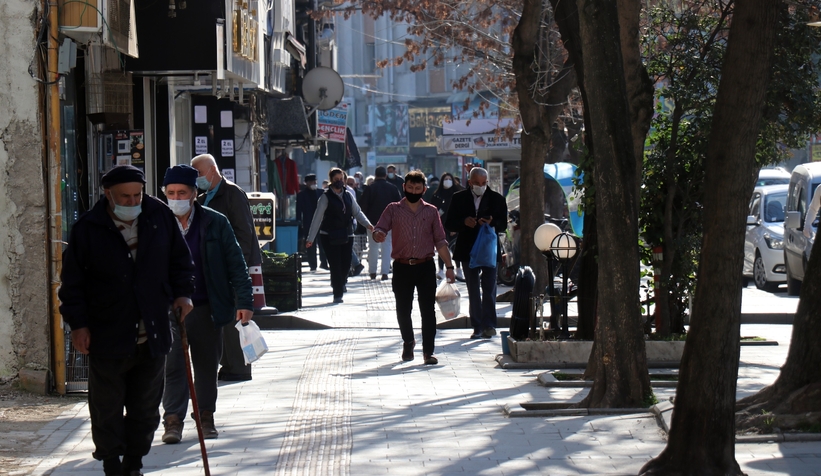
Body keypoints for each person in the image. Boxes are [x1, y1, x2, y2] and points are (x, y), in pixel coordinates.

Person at [59, 165, 195, 476]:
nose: (133, 202)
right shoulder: (88, 229)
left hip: (153, 331)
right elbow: (72, 285)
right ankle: (111, 462)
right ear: (108, 195)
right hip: (107, 333)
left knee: (145, 409)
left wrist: (184, 294)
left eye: (137, 195)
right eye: (125, 197)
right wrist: (78, 325)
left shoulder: (159, 217)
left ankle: (134, 462)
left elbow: (181, 262)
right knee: (106, 409)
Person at [159, 165, 254, 445]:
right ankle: (173, 420)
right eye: (171, 193)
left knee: (206, 365)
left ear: (194, 194)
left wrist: (245, 300)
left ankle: (205, 416)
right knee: (173, 364)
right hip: (169, 308)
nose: (176, 197)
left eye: (182, 192)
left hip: (206, 306)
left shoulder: (215, 222)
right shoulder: (157, 223)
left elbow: (236, 264)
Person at [373, 170, 456, 365]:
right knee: (403, 309)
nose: (413, 191)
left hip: (425, 266)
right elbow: (380, 228)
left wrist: (450, 266)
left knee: (428, 310)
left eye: (418, 188)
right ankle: (408, 341)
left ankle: (428, 352)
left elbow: (441, 242)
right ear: (404, 187)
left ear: (424, 190)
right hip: (402, 268)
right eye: (410, 187)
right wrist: (378, 234)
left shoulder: (431, 211)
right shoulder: (393, 209)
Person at [190, 154, 260, 382]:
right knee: (223, 317)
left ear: (212, 170)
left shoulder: (231, 193)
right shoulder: (203, 198)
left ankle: (239, 366)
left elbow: (244, 232)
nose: (197, 179)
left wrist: (237, 264)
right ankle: (228, 364)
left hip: (230, 266)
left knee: (234, 319)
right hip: (212, 268)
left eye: (199, 174)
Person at [445, 167, 507, 339]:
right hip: (467, 249)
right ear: (470, 182)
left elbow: (503, 225)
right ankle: (477, 326)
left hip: (489, 249)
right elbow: (449, 223)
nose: (480, 186)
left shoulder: (496, 199)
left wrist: (492, 221)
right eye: (477, 183)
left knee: (489, 288)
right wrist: (464, 222)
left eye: (483, 183)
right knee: (473, 288)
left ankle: (489, 325)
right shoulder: (459, 198)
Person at [306, 168, 373, 303]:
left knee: (346, 264)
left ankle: (340, 283)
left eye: (341, 179)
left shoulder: (348, 195)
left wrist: (368, 224)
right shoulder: (325, 197)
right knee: (335, 264)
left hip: (347, 234)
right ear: (331, 180)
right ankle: (338, 292)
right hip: (329, 235)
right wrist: (310, 238)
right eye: (336, 180)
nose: (339, 182)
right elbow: (317, 218)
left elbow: (357, 212)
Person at [360, 166, 402, 280]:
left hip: (372, 223)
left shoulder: (369, 188)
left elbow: (363, 206)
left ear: (375, 175)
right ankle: (385, 272)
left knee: (373, 247)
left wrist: (365, 221)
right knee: (387, 246)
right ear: (385, 175)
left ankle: (372, 272)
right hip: (389, 223)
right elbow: (399, 205)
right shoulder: (393, 188)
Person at [431, 172, 466, 281]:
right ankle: (441, 270)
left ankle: (458, 269)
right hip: (441, 225)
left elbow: (460, 210)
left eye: (449, 179)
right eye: (445, 179)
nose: (447, 181)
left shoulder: (457, 194)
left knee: (455, 248)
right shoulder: (437, 194)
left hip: (454, 225)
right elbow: (434, 209)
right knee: (442, 247)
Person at [296, 174, 322, 271]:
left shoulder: (321, 193)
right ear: (306, 183)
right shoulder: (301, 195)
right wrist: (299, 224)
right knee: (310, 245)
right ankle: (313, 265)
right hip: (308, 224)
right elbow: (299, 211)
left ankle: (324, 263)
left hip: (321, 223)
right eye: (311, 182)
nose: (314, 183)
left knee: (323, 244)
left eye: (315, 181)